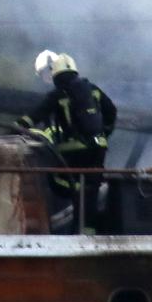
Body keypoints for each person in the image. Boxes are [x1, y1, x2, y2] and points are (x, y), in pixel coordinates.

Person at [17, 50, 117, 234]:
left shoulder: (57, 94)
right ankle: (88, 233)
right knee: (91, 191)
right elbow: (111, 110)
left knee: (56, 179)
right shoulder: (92, 88)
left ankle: (76, 208)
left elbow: (35, 115)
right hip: (99, 148)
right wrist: (104, 133)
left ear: (54, 73)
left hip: (73, 150)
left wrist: (16, 127)